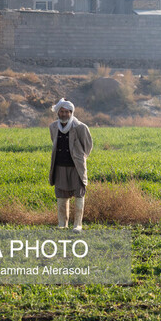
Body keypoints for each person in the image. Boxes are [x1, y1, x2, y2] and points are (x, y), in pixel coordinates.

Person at [49, 99, 93, 232]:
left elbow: (88, 147)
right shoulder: (53, 127)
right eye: (61, 111)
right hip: (59, 166)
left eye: (66, 112)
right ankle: (62, 224)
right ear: (58, 112)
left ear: (71, 112)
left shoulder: (80, 127)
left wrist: (79, 157)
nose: (63, 114)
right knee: (61, 195)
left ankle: (77, 225)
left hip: (76, 167)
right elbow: (54, 142)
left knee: (79, 194)